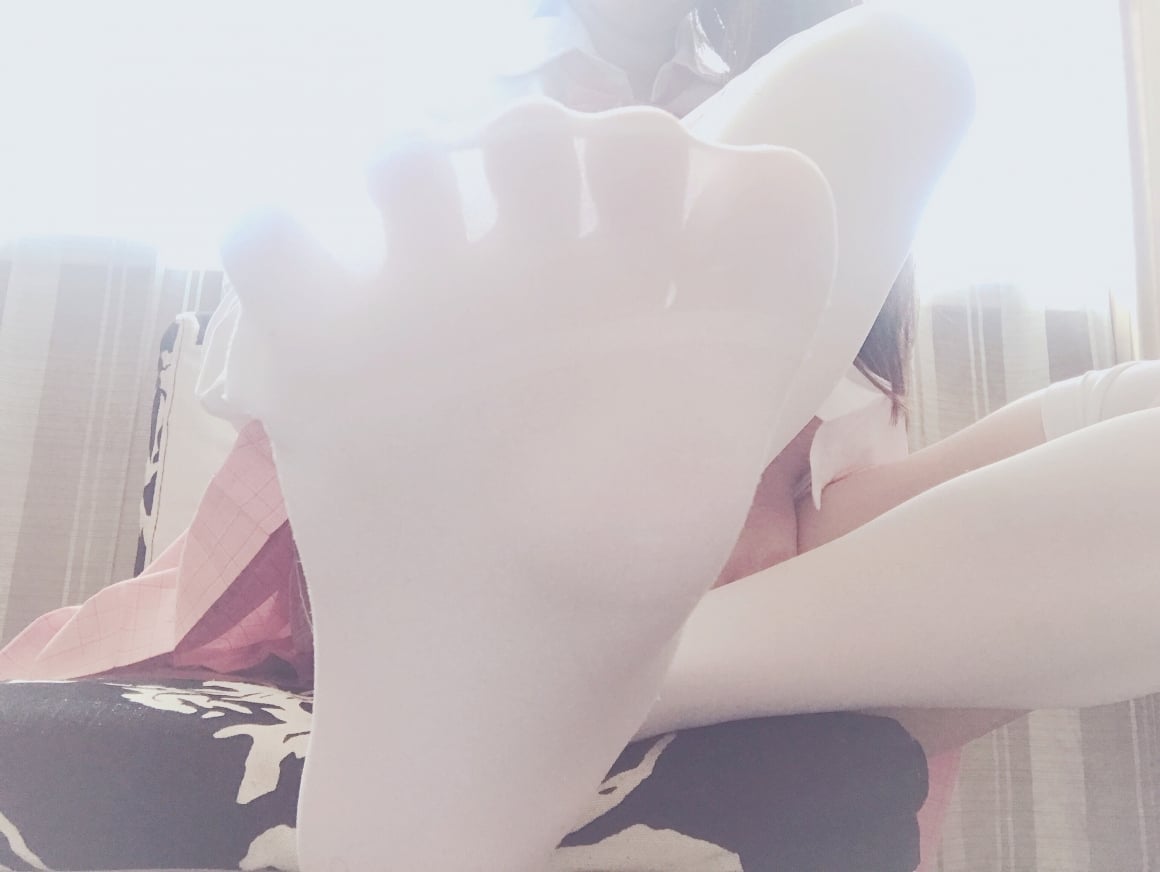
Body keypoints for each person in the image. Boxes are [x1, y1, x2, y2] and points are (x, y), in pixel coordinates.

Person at [2, 4, 1159, 872]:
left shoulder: (844, 306)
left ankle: (577, 676)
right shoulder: (512, 94)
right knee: (901, 66)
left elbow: (869, 542)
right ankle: (527, 657)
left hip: (752, 599)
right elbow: (278, 343)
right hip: (408, 528)